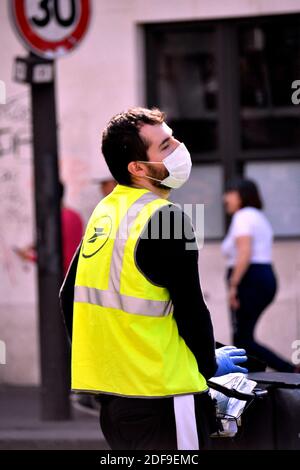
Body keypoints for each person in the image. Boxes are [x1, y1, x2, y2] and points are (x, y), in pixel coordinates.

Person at [63, 107, 248, 450]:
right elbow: (192, 310)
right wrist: (208, 364)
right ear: (137, 168)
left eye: (173, 137)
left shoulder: (104, 211)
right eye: (164, 146)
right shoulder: (167, 219)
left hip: (116, 400)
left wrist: (113, 367)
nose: (179, 147)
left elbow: (68, 296)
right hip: (165, 396)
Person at [221, 178, 296, 373]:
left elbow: (244, 253)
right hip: (261, 276)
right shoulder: (257, 217)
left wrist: (233, 285)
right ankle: (257, 374)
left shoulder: (243, 216)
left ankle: (285, 370)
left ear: (242, 196)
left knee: (242, 339)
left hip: (249, 279)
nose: (225, 198)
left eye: (230, 193)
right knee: (243, 338)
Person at [15, 181, 83, 277]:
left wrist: (29, 257)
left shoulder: (55, 221)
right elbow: (68, 242)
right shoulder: (75, 215)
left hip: (64, 277)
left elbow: (53, 257)